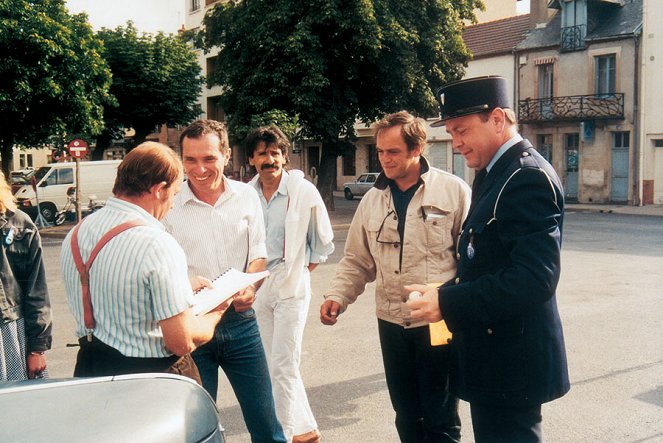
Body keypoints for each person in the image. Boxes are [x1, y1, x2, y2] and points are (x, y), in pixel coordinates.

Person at [406, 76, 570, 443]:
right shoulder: (495, 172)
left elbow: (534, 279)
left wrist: (446, 302)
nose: (456, 142)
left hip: (512, 365)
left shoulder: (526, 177)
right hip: (494, 358)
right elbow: (486, 262)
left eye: (461, 130)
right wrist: (442, 291)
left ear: (497, 119)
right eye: (450, 131)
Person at [320, 111, 471, 442]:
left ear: (417, 149)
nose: (384, 160)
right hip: (391, 322)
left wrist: (458, 304)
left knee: (440, 418)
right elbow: (357, 259)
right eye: (380, 151)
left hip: (438, 322)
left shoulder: (454, 192)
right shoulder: (373, 199)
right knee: (406, 415)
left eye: (393, 152)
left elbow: (472, 261)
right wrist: (337, 296)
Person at [162, 120, 286, 443]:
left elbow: (258, 255)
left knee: (266, 424)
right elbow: (160, 269)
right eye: (190, 160)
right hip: (191, 327)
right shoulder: (169, 205)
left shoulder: (246, 197)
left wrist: (251, 287)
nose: (199, 168)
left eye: (209, 158)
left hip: (242, 324)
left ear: (227, 155)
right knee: (196, 428)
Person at [61, 142, 228, 381]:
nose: (172, 205)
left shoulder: (76, 234)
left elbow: (112, 291)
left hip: (91, 372)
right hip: (150, 381)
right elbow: (182, 342)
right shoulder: (157, 243)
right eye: (174, 194)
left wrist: (180, 286)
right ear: (159, 189)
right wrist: (217, 311)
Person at [245, 126, 334, 443]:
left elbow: (322, 245)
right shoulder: (246, 194)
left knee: (283, 364)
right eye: (262, 154)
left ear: (284, 156)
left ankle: (281, 433)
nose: (269, 159)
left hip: (291, 285)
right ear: (252, 159)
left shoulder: (303, 192)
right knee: (271, 364)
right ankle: (306, 429)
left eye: (274, 153)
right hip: (257, 287)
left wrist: (297, 273)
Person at [0, 170, 51, 381]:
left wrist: (37, 349)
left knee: (14, 406)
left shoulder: (20, 224)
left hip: (8, 332)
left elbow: (37, 290)